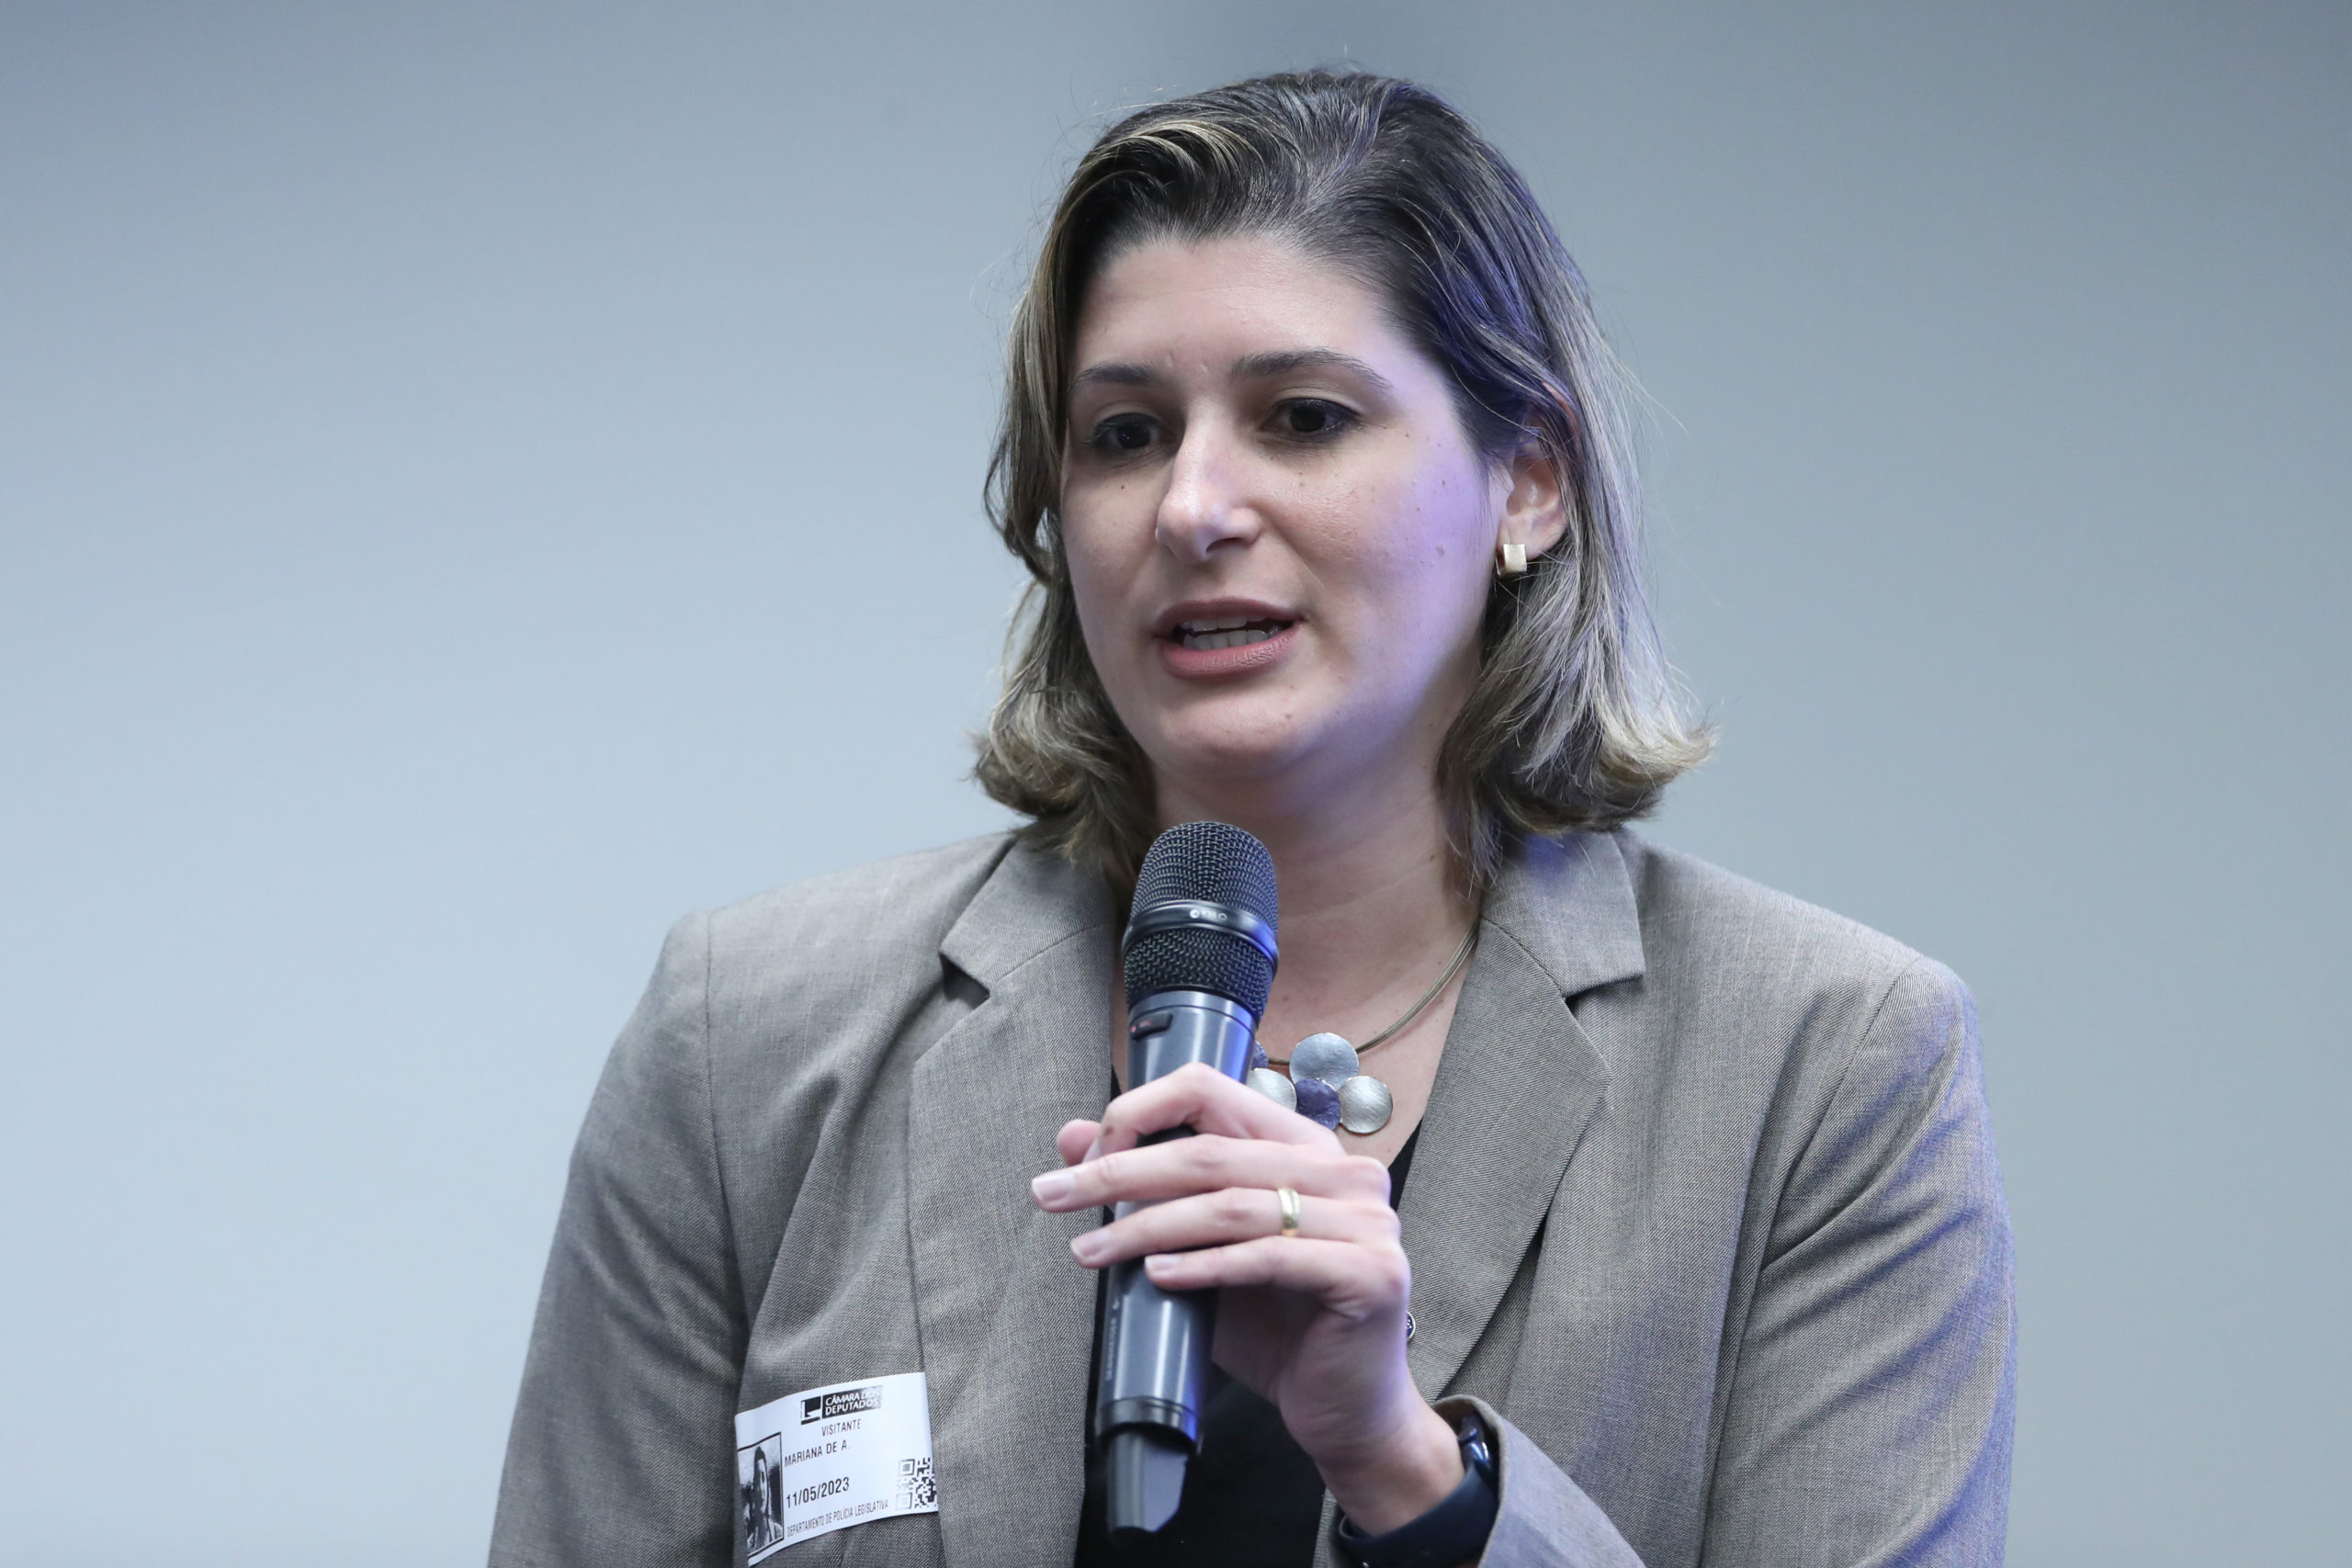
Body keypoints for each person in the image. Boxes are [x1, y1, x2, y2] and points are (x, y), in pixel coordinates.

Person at [489, 70, 2013, 1568]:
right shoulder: (746, 1036)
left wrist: (1414, 1477)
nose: (1192, 507)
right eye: (1126, 434)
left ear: (1528, 482)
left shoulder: (1826, 1067)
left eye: (1300, 417)